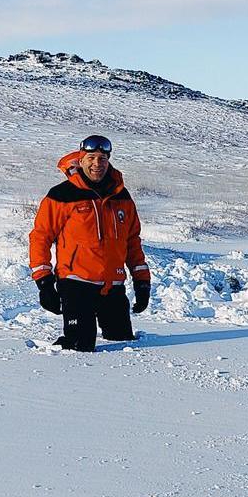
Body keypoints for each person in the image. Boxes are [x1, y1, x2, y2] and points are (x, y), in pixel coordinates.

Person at [28, 134, 151, 351]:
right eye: (91, 158)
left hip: (112, 284)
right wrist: (44, 282)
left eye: (102, 159)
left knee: (123, 342)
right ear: (81, 159)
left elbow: (132, 241)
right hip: (76, 283)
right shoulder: (61, 195)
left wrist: (142, 281)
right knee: (81, 346)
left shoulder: (121, 196)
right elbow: (40, 237)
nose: (97, 164)